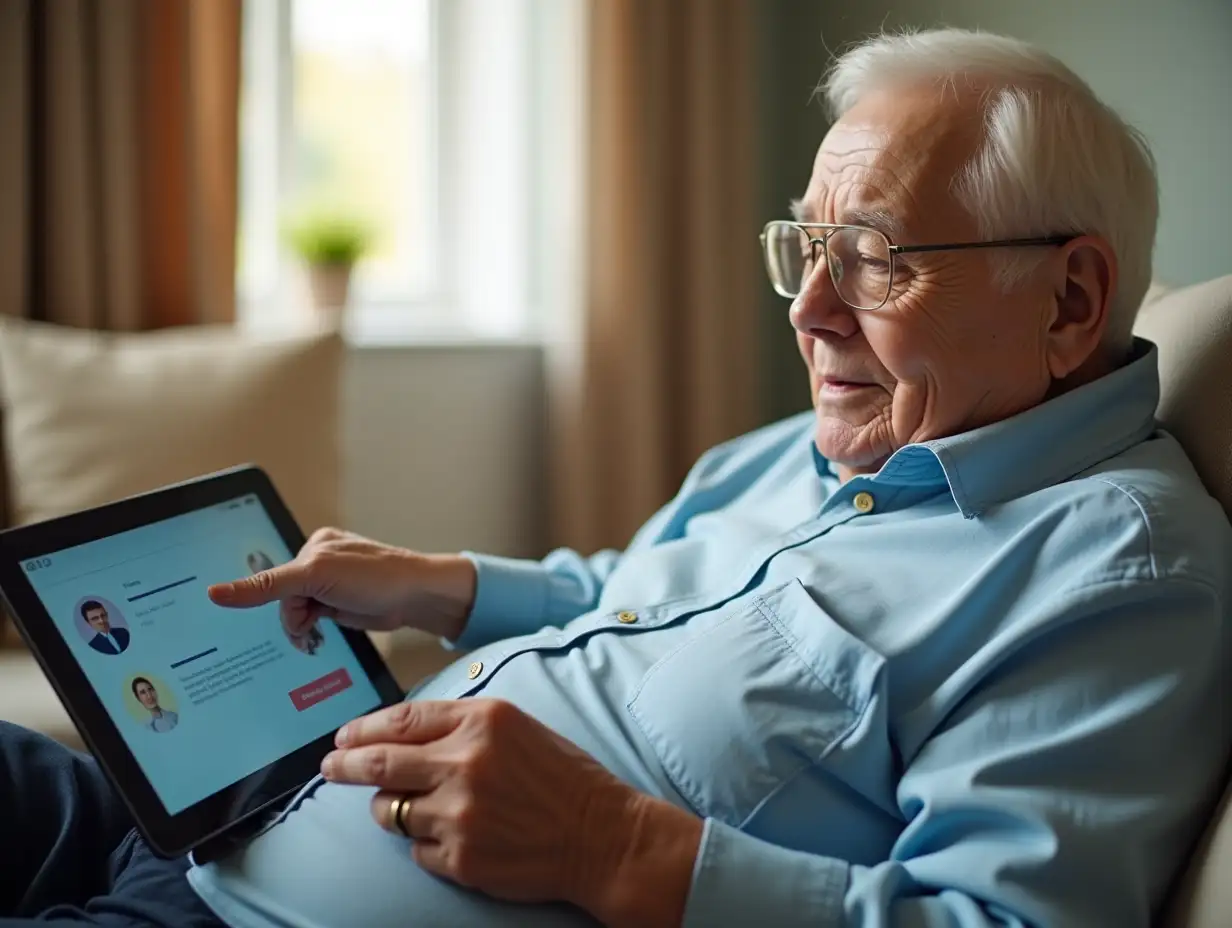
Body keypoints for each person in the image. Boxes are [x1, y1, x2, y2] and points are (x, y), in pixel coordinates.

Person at [1, 27, 1229, 928]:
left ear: (1068, 299)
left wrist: (611, 844)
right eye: (803, 246)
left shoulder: (1114, 571)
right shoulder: (827, 442)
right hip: (220, 819)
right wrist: (436, 586)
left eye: (868, 258)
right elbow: (634, 592)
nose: (805, 312)